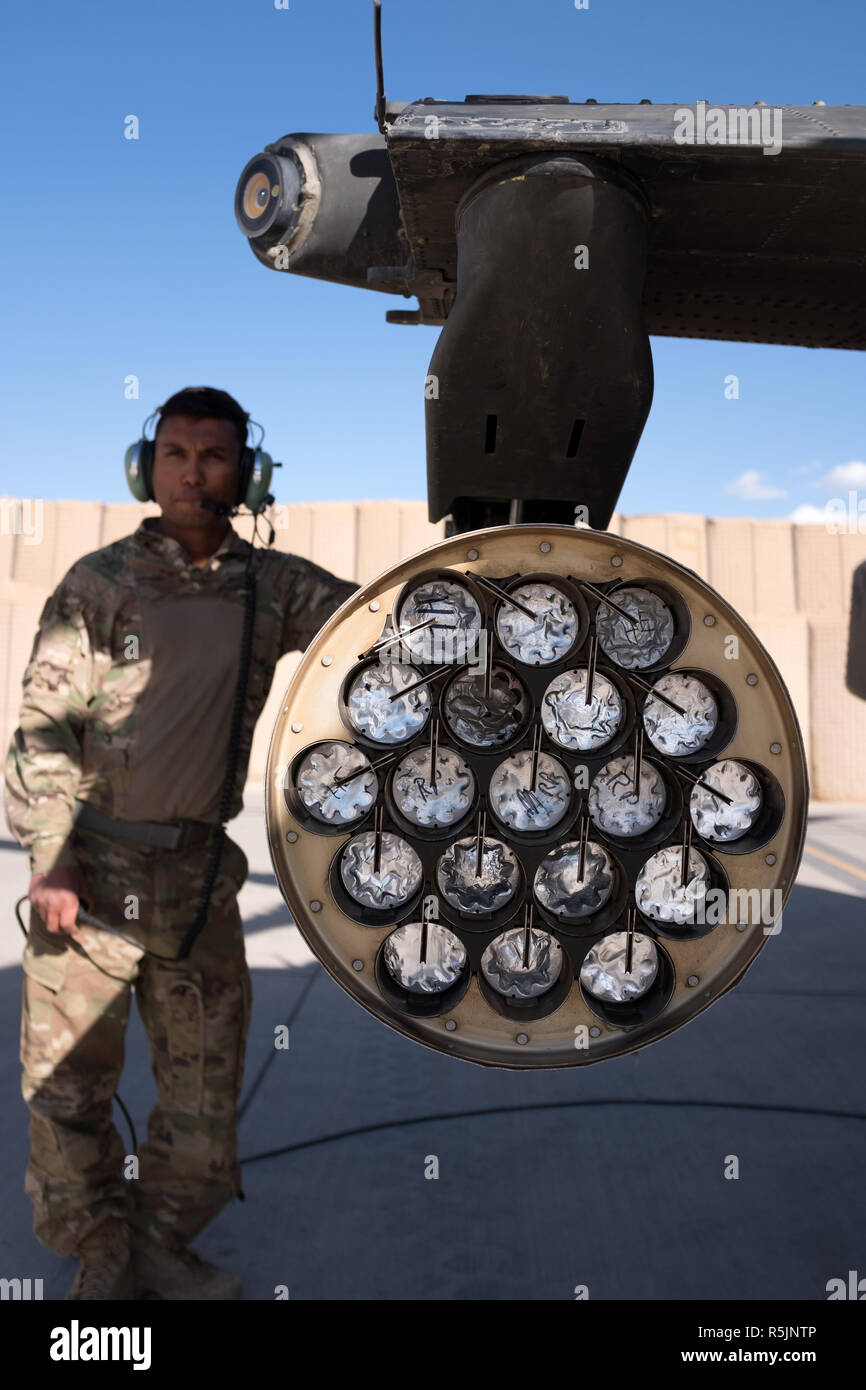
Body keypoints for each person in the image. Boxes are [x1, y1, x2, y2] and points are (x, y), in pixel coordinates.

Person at [4, 386, 358, 1300]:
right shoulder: (99, 581)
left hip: (196, 885)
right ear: (145, 466)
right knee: (69, 1090)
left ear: (248, 472)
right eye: (175, 453)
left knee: (202, 1102)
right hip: (89, 874)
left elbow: (379, 627)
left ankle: (160, 1240)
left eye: (214, 455)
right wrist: (50, 856)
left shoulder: (274, 589)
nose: (194, 471)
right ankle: (100, 1254)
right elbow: (44, 725)